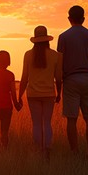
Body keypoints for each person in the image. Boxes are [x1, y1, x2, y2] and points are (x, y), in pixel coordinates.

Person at [56, 5, 88, 157]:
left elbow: (60, 63)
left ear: (69, 19)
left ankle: (74, 152)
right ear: (83, 18)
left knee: (71, 120)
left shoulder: (63, 37)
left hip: (70, 79)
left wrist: (60, 83)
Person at [18, 25, 63, 160]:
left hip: (32, 94)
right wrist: (59, 93)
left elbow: (24, 78)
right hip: (49, 94)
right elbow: (59, 78)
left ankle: (38, 150)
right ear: (47, 40)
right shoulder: (56, 55)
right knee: (47, 123)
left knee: (36, 124)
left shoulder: (28, 54)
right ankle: (47, 150)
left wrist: (19, 96)